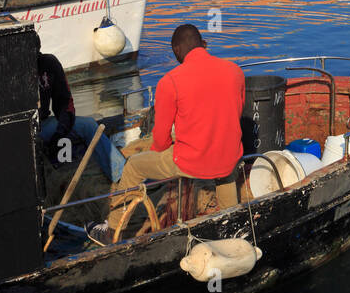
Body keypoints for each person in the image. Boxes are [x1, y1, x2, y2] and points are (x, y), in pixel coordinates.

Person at [89, 25, 244, 245]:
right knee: (225, 167)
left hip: (192, 162)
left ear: (177, 50)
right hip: (229, 158)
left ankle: (112, 230)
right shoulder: (235, 71)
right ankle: (231, 225)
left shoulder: (170, 81)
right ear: (203, 44)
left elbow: (161, 139)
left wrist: (164, 150)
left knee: (133, 165)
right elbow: (235, 114)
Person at [37, 53, 125, 183]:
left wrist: (61, 131)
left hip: (41, 125)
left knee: (88, 125)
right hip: (18, 133)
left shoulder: (48, 63)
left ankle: (121, 175)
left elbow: (64, 102)